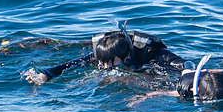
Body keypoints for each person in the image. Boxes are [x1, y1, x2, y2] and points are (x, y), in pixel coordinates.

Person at [23, 26, 187, 85]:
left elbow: (185, 64)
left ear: (126, 58)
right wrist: (45, 75)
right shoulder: (103, 56)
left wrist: (187, 74)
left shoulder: (151, 52)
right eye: (103, 66)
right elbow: (69, 66)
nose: (107, 69)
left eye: (114, 66)